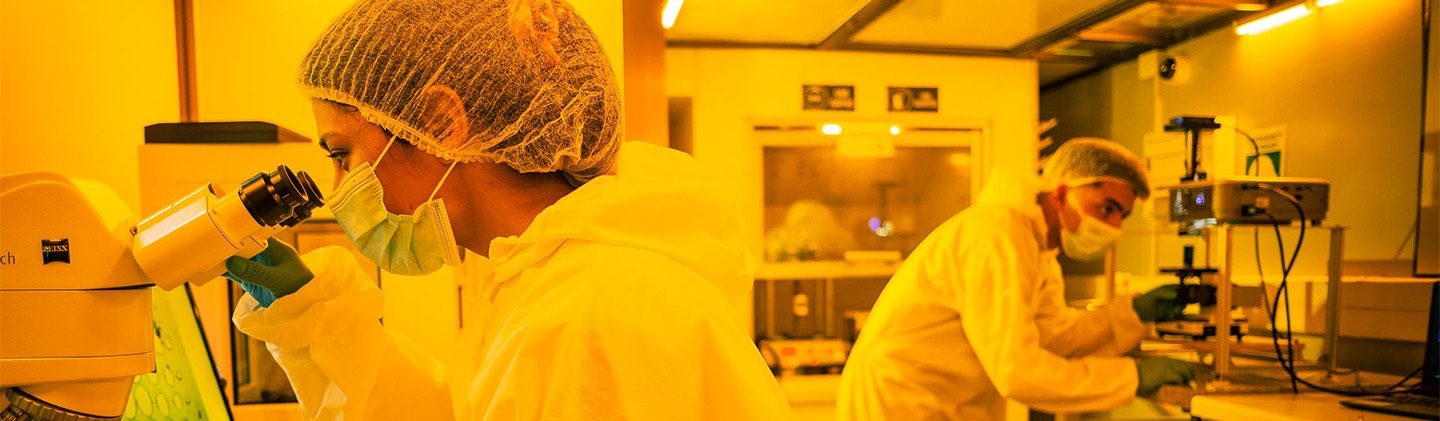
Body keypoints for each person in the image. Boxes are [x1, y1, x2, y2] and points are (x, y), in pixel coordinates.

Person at [220, 0, 791, 418]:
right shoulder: (545, 282)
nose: (337, 187)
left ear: (442, 121)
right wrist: (317, 319)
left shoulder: (587, 315)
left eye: (343, 154)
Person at [837, 138, 1194, 420]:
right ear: (1061, 192)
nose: (1112, 228)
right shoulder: (997, 235)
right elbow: (1018, 370)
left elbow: (1055, 338)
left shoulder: (1037, 248)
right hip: (903, 401)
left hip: (942, 398)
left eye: (1122, 216)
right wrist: (1133, 376)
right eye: (1107, 208)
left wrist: (1134, 313)